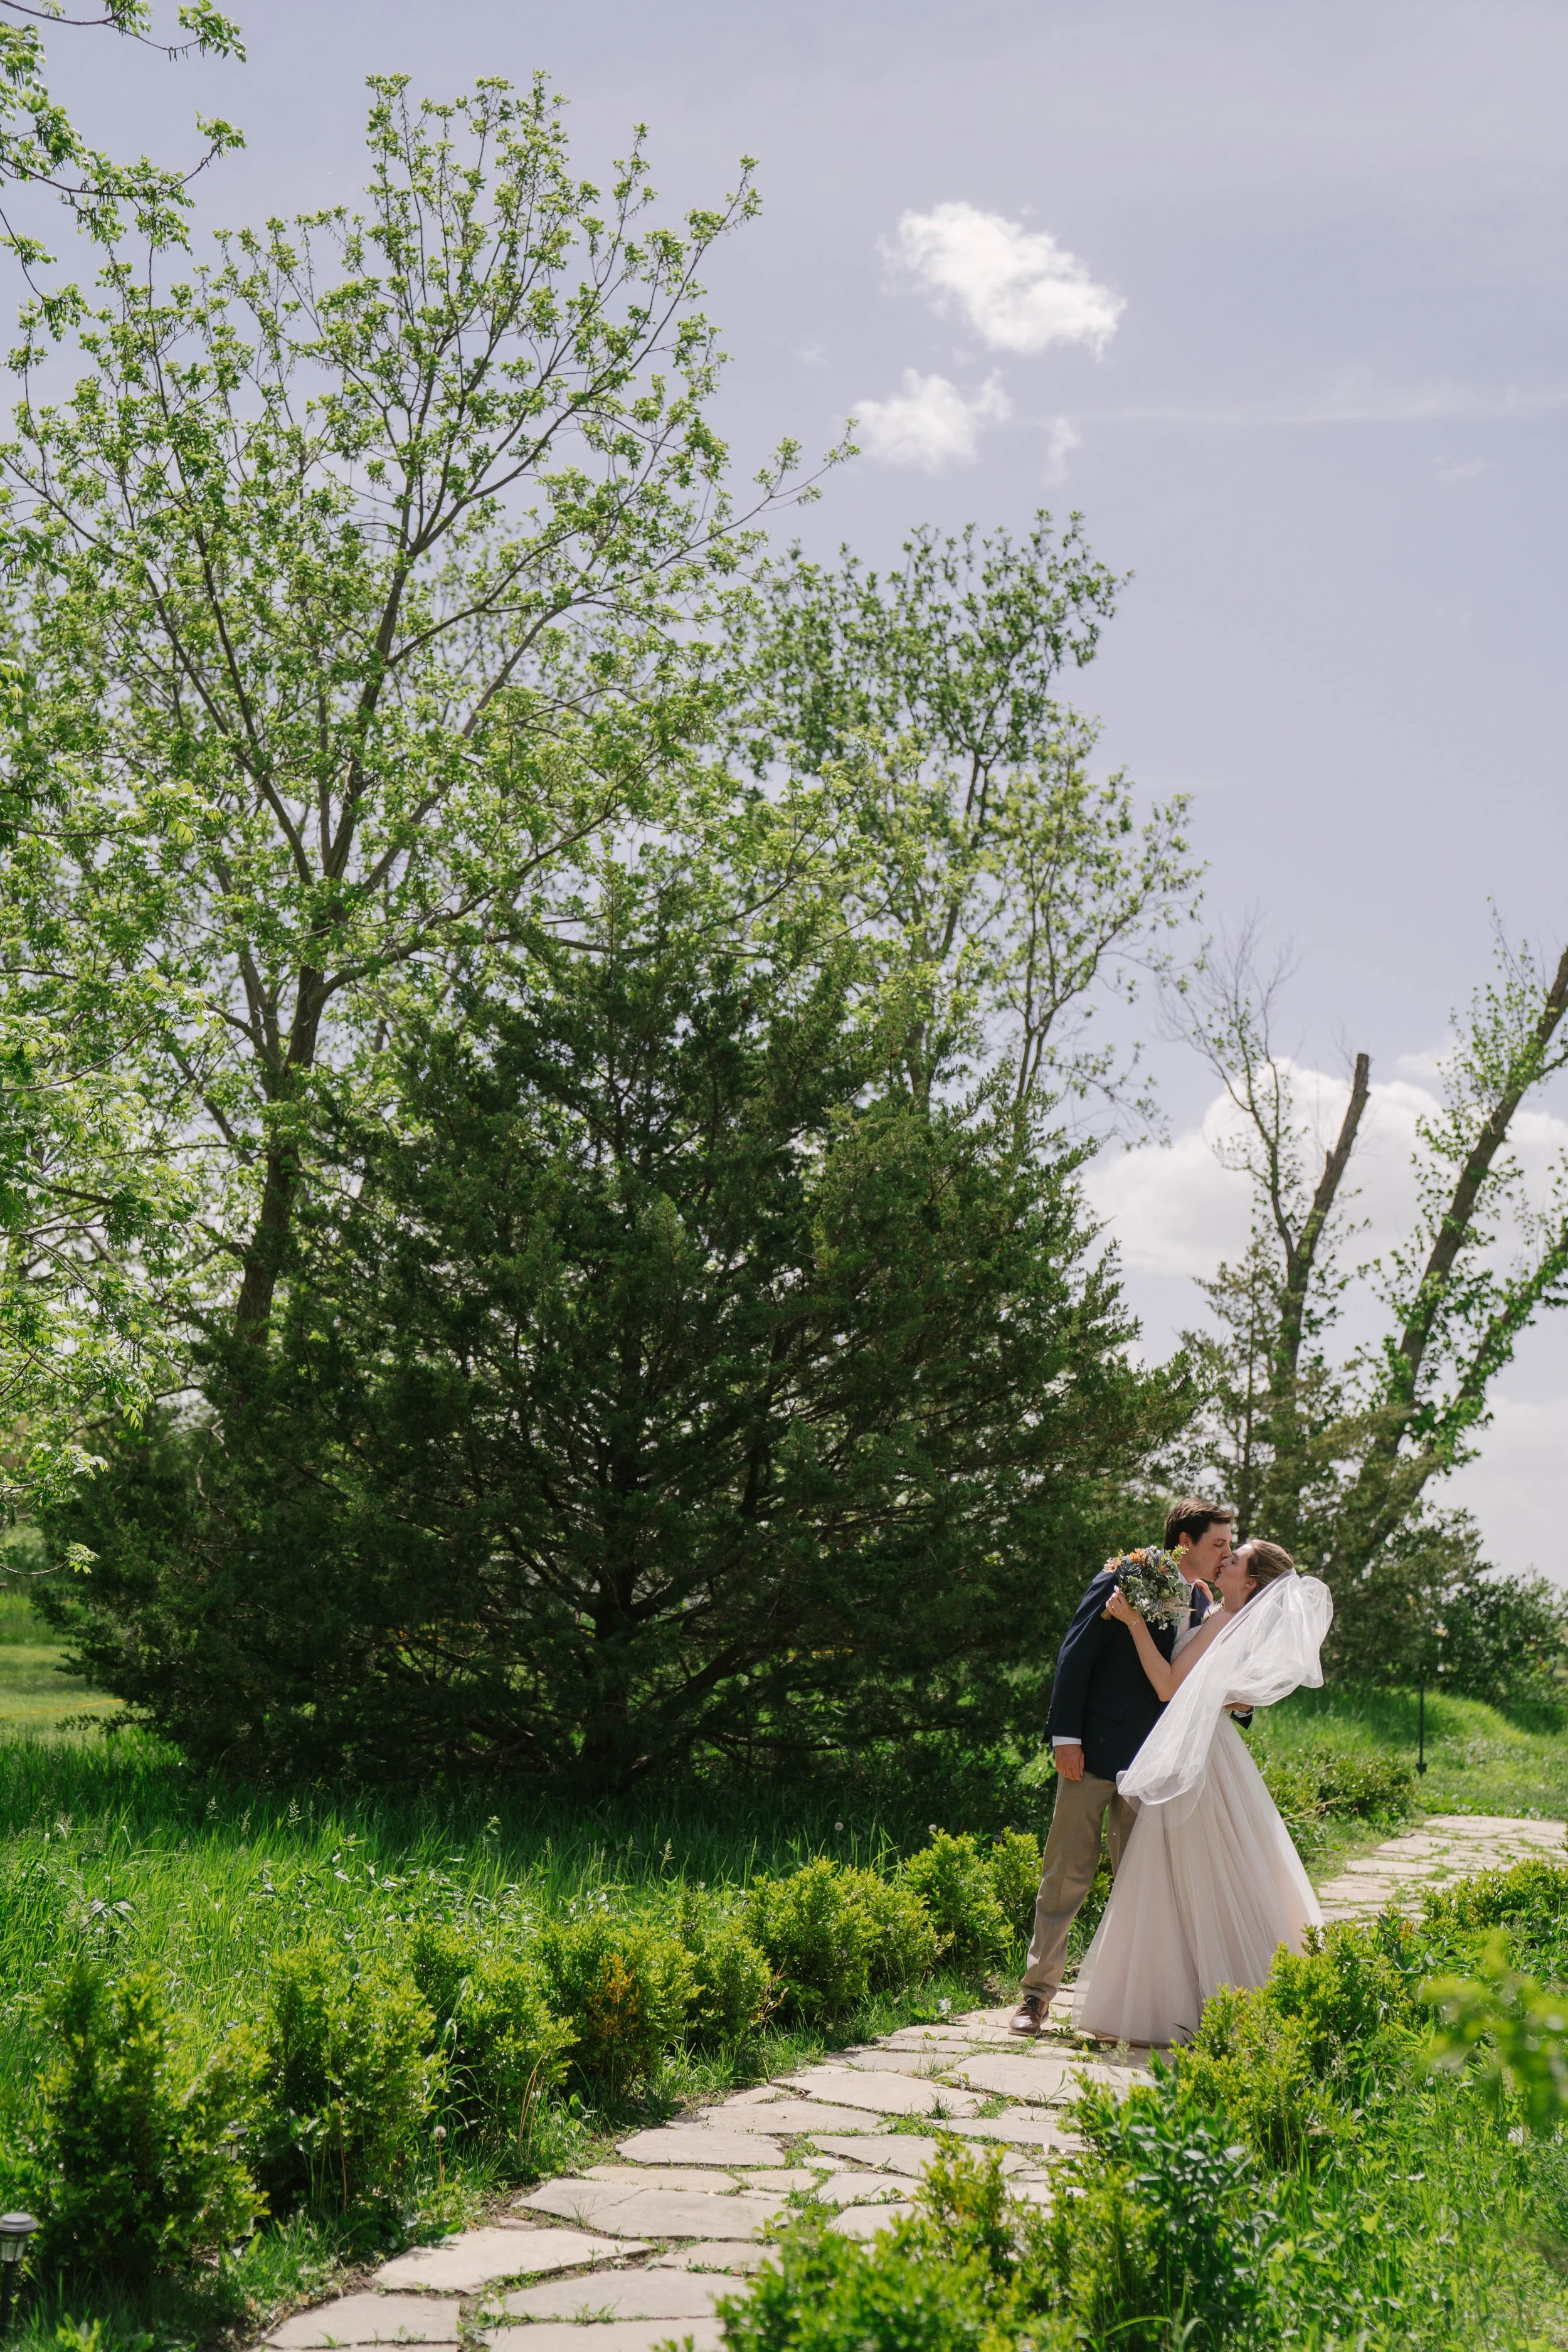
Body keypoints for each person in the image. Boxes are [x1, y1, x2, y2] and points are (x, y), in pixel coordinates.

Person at [1070, 1538, 1333, 2047]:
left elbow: (1169, 1686)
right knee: (1224, 1867)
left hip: (1200, 1757)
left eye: (1234, 1560)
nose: (1224, 1560)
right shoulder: (1220, 1613)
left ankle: (1188, 2002)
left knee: (1189, 1870)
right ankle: (1236, 1990)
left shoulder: (1221, 1620)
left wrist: (1134, 1624)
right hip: (1215, 1751)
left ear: (1250, 1583)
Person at [1008, 1497, 1234, 2038]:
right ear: (1186, 1542)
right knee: (1066, 1875)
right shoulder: (1129, 1574)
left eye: (1230, 1544)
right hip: (1095, 1753)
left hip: (1160, 1770)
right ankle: (1036, 1997)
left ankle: (1136, 2004)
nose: (1226, 1554)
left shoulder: (1209, 1603)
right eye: (1218, 1544)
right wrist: (1067, 1736)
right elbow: (1076, 1653)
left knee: (1143, 1886)